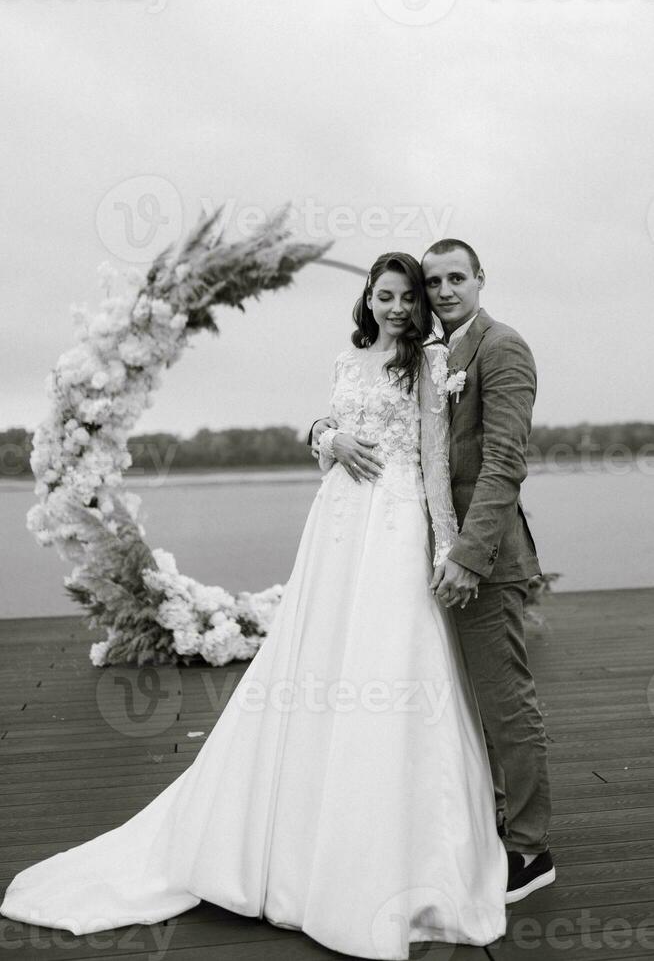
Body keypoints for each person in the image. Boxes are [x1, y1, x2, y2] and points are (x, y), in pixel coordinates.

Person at [1, 252, 508, 961]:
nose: (396, 307)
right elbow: (327, 429)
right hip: (335, 528)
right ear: (369, 298)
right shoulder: (347, 359)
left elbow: (428, 459)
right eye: (385, 295)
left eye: (406, 298)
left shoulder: (426, 364)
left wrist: (444, 547)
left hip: (392, 528)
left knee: (390, 657)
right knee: (318, 656)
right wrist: (324, 438)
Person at [310, 239, 555, 905]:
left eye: (455, 278)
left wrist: (465, 557)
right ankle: (483, 818)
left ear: (480, 278)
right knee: (457, 696)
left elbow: (504, 465)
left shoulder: (501, 348)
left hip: (482, 555)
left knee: (506, 703)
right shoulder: (428, 354)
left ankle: (530, 850)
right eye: (434, 281)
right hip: (420, 548)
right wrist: (324, 434)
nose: (444, 290)